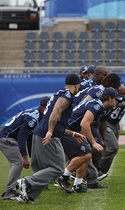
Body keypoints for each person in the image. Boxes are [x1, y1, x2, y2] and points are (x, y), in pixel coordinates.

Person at [15, 74, 86, 203]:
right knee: (58, 168)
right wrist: (50, 131)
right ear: (76, 85)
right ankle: (26, 182)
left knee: (43, 171)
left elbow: (56, 120)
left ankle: (28, 196)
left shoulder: (60, 93)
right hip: (47, 135)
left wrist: (73, 134)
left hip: (39, 133)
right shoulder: (68, 95)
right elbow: (56, 111)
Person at [57, 87, 121, 191]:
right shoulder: (96, 106)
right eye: (116, 99)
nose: (117, 102)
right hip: (67, 130)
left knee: (86, 153)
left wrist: (90, 141)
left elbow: (86, 124)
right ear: (109, 98)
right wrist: (93, 142)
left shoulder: (99, 106)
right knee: (85, 154)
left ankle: (77, 185)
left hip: (73, 130)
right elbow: (84, 124)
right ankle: (63, 176)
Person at [0, 96, 50, 200]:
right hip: (7, 139)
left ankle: (38, 183)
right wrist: (25, 157)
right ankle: (10, 191)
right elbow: (22, 136)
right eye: (50, 107)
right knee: (18, 162)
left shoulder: (37, 114)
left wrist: (32, 155)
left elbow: (29, 136)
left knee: (35, 157)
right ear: (45, 107)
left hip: (11, 138)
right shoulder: (34, 118)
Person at [97, 78, 125, 180]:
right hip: (106, 122)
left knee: (111, 149)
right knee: (113, 147)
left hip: (116, 124)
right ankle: (97, 171)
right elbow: (110, 105)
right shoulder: (115, 94)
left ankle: (102, 172)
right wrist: (122, 104)